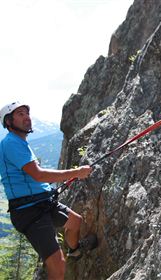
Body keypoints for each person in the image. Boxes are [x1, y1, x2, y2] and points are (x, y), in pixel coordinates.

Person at [0, 101, 96, 280]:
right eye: (20, 114)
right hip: (28, 211)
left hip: (41, 203)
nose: (26, 117)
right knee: (58, 265)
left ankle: (74, 251)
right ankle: (68, 256)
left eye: (26, 113)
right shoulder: (11, 143)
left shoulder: (19, 142)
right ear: (8, 122)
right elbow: (38, 175)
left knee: (75, 222)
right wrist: (76, 172)